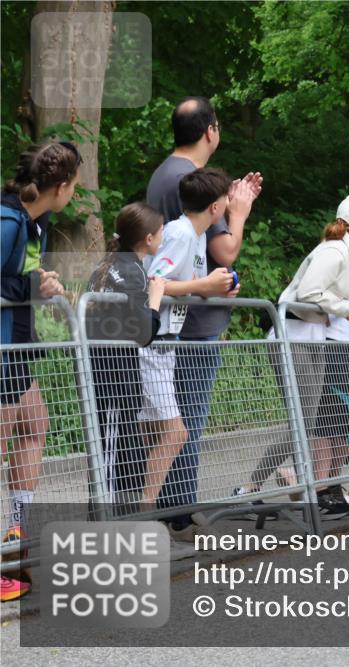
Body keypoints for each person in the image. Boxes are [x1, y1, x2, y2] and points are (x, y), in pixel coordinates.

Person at [146, 96, 261, 536]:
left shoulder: (163, 174)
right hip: (191, 324)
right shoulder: (190, 179)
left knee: (166, 422)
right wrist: (239, 211)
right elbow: (224, 251)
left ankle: (166, 511)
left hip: (174, 322)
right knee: (186, 420)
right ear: (211, 130)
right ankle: (179, 515)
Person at [1, 141, 79, 603]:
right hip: (3, 347)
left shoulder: (34, 221)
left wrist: (41, 282)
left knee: (35, 426)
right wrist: (33, 283)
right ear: (63, 186)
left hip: (20, 347)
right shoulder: (9, 220)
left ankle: (17, 531)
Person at [276, 192, 349, 517]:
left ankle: (316, 488)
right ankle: (273, 487)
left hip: (313, 337)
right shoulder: (335, 250)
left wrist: (348, 305)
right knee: (308, 419)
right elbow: (309, 291)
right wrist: (345, 306)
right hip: (296, 336)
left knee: (315, 419)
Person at [87, 203, 175, 510]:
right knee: (110, 457)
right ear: (149, 239)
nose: (165, 234)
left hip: (109, 371)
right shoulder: (132, 271)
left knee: (122, 454)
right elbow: (143, 332)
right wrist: (155, 298)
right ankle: (105, 528)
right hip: (112, 376)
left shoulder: (115, 263)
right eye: (162, 230)